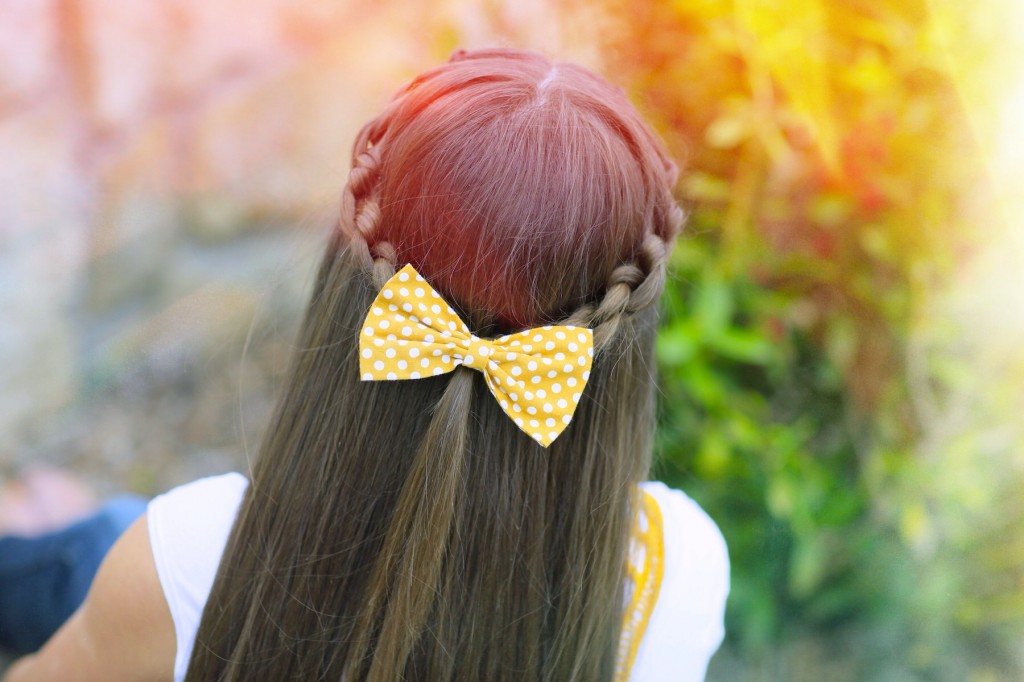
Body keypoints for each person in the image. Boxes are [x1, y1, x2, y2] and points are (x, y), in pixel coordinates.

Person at [1, 47, 728, 681]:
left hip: (155, 588)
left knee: (100, 548)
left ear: (354, 288)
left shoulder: (194, 554)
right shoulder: (682, 567)